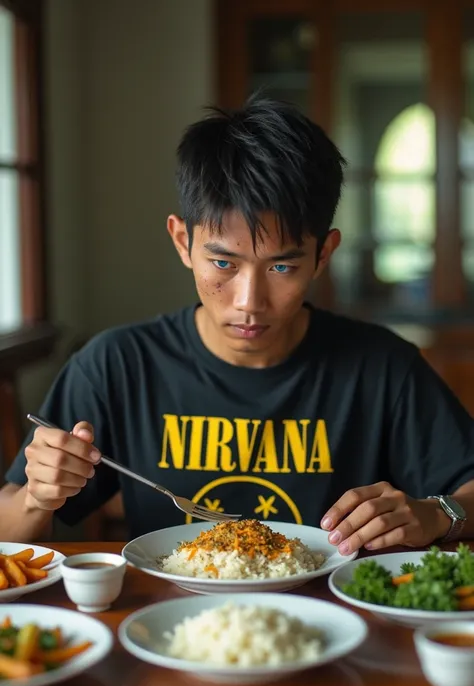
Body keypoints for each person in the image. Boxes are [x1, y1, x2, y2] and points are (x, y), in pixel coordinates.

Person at [2, 97, 474, 553]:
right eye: (224, 263)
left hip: (329, 622)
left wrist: (438, 514)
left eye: (281, 267)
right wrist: (36, 497)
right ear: (183, 242)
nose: (249, 303)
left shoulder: (381, 366)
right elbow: (7, 521)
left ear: (323, 254)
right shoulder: (117, 366)